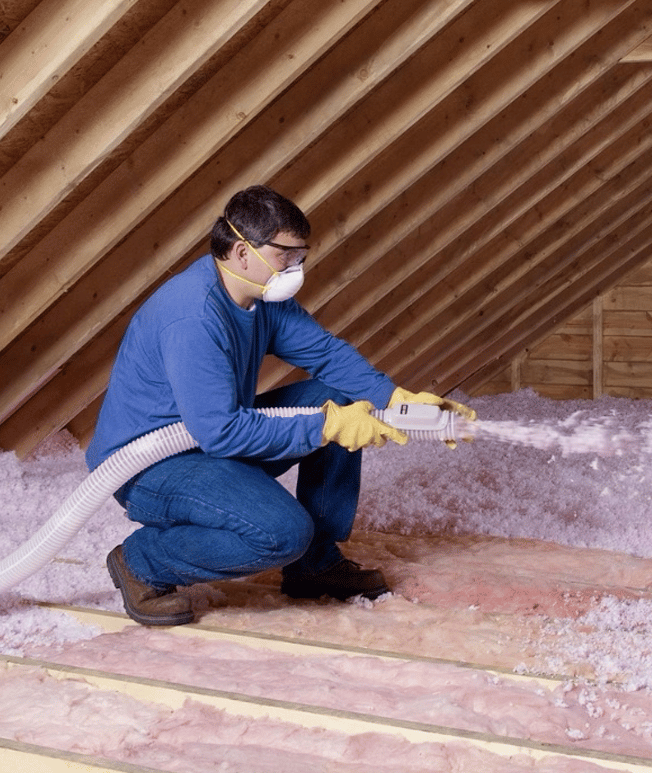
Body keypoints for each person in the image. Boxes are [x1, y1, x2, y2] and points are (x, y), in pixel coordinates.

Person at [86, 185, 474, 626]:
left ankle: (316, 564)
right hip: (152, 468)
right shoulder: (192, 316)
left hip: (210, 445)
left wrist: (394, 399)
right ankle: (142, 562)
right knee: (282, 533)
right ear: (241, 251)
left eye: (300, 256)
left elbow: (325, 354)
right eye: (285, 255)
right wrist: (326, 427)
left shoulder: (260, 296)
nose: (295, 268)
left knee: (339, 395)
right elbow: (222, 431)